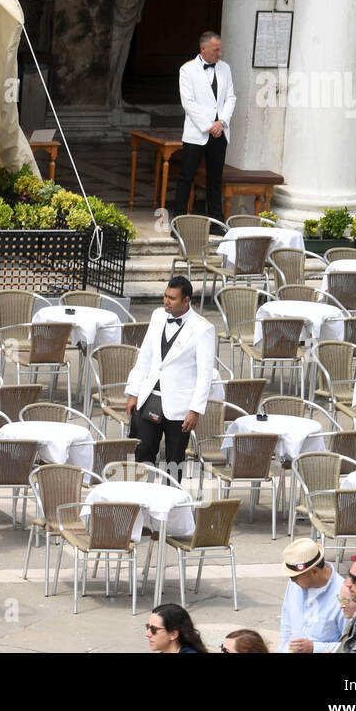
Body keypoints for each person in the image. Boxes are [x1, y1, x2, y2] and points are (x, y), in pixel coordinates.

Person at [124, 276, 216, 478]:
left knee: (174, 460)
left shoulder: (203, 329)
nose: (166, 301)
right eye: (165, 296)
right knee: (143, 450)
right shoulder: (158, 316)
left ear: (186, 301)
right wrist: (133, 392)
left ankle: (172, 505)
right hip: (151, 397)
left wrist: (195, 410)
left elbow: (205, 374)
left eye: (172, 298)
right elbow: (145, 357)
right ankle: (142, 499)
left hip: (180, 405)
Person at [173, 31, 235, 228]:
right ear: (203, 49)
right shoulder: (187, 70)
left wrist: (222, 122)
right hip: (197, 133)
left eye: (220, 49)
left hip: (220, 132)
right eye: (216, 50)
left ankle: (217, 222)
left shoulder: (225, 68)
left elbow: (231, 97)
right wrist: (209, 125)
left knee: (215, 179)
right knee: (186, 177)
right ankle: (179, 222)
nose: (219, 54)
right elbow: (188, 102)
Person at [278, 538, 346, 654]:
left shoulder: (343, 596)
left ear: (314, 571)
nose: (292, 580)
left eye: (295, 577)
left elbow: (351, 645)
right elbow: (287, 622)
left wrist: (314, 648)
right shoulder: (295, 583)